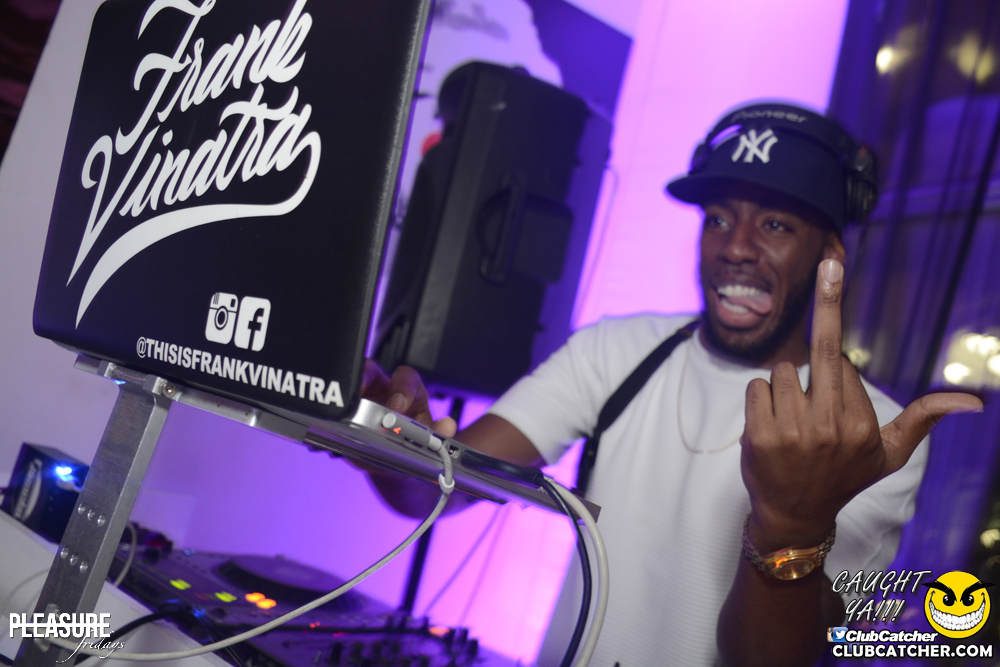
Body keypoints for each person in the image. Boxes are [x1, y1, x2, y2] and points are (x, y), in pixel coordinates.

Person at [361, 102, 983, 666]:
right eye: (718, 219)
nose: (735, 248)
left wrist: (791, 527)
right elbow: (436, 490)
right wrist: (385, 436)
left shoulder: (867, 432)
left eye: (775, 225)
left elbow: (774, 660)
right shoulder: (614, 350)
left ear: (833, 254)